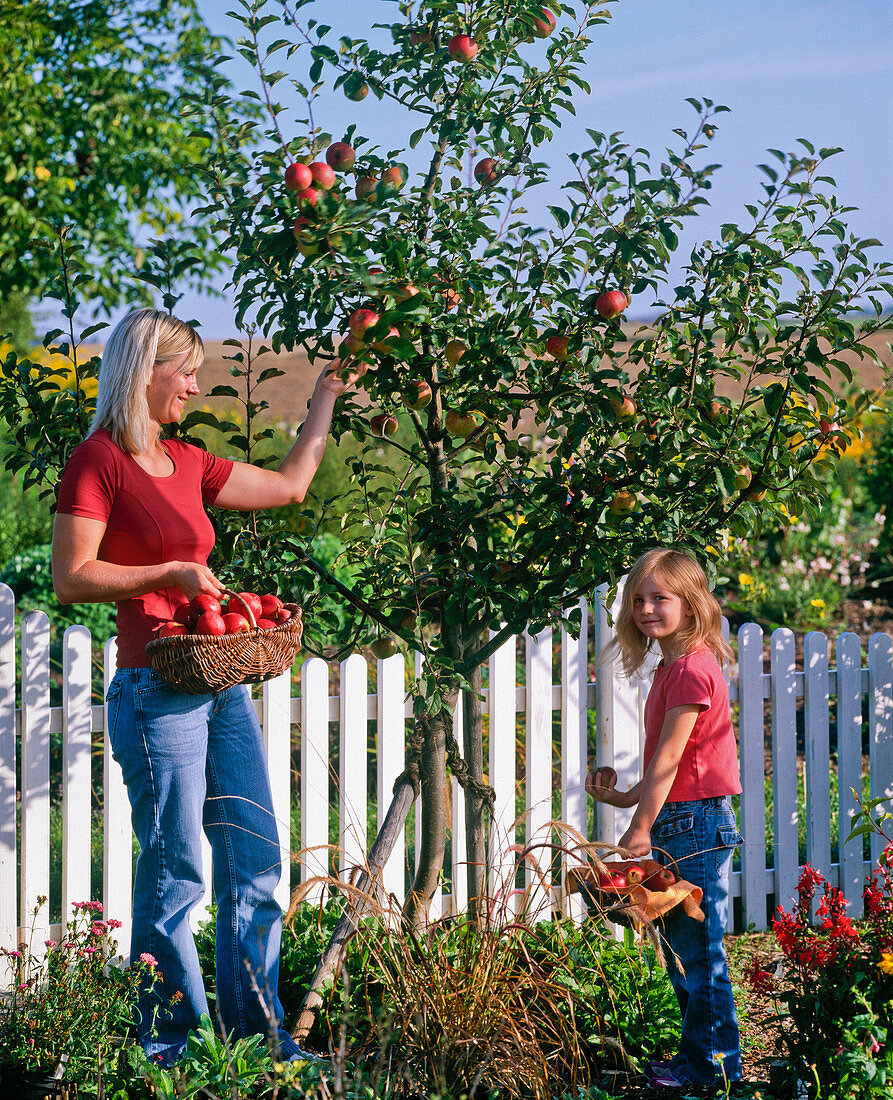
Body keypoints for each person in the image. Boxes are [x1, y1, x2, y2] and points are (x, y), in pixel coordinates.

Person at [51, 308, 363, 1065]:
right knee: (175, 868)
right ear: (142, 373)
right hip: (155, 690)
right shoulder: (99, 461)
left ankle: (257, 1040)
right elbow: (71, 576)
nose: (194, 384)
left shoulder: (189, 462)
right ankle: (172, 1050)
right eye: (183, 370)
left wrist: (326, 392)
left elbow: (291, 485)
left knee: (256, 856)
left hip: (216, 684)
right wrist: (168, 573)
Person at [586, 548, 743, 1091]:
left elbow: (673, 760)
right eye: (638, 600)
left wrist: (640, 826)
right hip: (682, 817)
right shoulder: (676, 667)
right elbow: (666, 766)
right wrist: (624, 799)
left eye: (661, 598)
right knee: (682, 954)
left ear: (692, 603)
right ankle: (698, 1062)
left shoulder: (692, 670)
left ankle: (714, 1072)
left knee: (699, 955)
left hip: (694, 825)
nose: (647, 609)